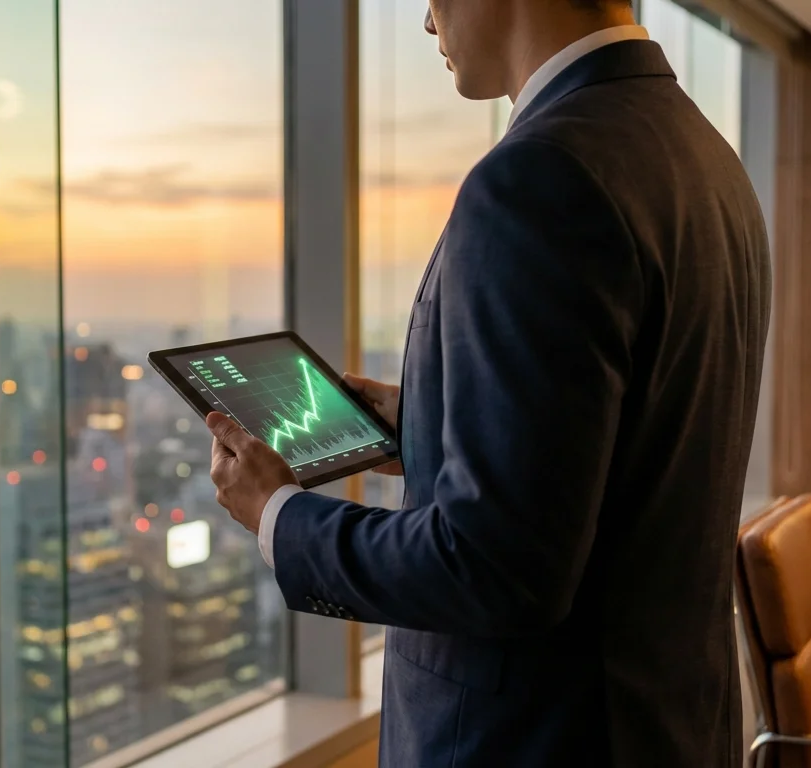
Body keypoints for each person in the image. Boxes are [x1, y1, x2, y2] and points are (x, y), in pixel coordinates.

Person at [204, 0, 770, 764]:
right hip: (669, 722)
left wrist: (279, 517)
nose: (428, 22)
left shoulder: (540, 177)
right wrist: (427, 422)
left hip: (540, 739)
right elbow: (634, 428)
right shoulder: (702, 156)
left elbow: (496, 567)